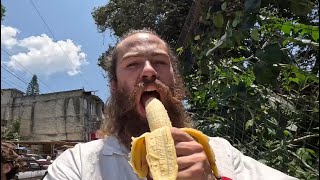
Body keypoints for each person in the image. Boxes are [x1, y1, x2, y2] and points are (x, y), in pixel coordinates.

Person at [44, 29, 298, 180]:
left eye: (160, 62)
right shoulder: (77, 164)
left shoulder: (220, 153)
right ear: (114, 85)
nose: (148, 72)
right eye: (132, 64)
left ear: (174, 79)